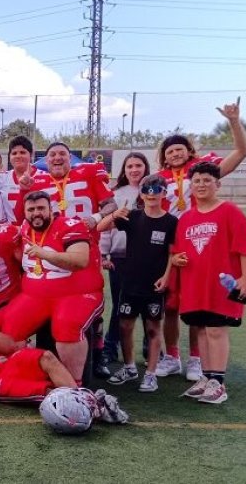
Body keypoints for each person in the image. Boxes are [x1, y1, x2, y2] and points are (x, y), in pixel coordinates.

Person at [156, 100, 246, 380]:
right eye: (170, 151)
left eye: (179, 149)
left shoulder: (204, 170)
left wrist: (233, 121)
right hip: (173, 239)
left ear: (189, 151)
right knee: (171, 304)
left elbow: (242, 151)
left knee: (200, 302)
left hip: (205, 238)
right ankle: (172, 355)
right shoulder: (157, 178)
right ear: (164, 156)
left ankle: (198, 359)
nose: (175, 154)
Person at [0, 300, 127, 423]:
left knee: (46, 356)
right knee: (48, 392)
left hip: (10, 362)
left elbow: (9, 346)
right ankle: (98, 409)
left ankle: (86, 401)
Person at [0, 191, 103, 384]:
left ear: (51, 209)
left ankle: (74, 385)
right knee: (8, 330)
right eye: (31, 209)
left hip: (75, 292)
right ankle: (30, 373)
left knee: (67, 326)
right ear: (24, 212)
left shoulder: (70, 225)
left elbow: (80, 260)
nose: (36, 213)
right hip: (35, 294)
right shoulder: (26, 227)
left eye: (41, 208)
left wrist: (45, 254)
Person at [173, 161, 246, 404]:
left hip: (223, 285)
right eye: (196, 181)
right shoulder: (186, 218)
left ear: (217, 184)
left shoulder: (230, 211)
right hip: (195, 284)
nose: (201, 184)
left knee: (217, 330)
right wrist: (177, 258)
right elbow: (178, 252)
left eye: (207, 180)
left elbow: (245, 249)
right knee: (202, 331)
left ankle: (218, 382)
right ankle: (207, 377)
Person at [95, 174, 175, 392]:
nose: (152, 194)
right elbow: (100, 228)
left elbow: (172, 254)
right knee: (125, 325)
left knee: (152, 328)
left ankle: (150, 373)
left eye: (156, 190)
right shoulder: (132, 217)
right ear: (141, 193)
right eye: (147, 190)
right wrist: (114, 215)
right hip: (130, 283)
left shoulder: (171, 221)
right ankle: (129, 367)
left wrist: (166, 276)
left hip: (154, 285)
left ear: (163, 193)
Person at [99, 152, 150, 365]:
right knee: (121, 304)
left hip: (149, 258)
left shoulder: (154, 190)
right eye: (130, 166)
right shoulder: (117, 193)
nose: (134, 170)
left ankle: (151, 349)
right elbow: (107, 228)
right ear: (124, 170)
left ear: (146, 168)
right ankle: (111, 347)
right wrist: (104, 253)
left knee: (149, 305)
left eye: (138, 165)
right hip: (120, 257)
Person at [0, 136, 53, 224]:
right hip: (10, 233)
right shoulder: (0, 178)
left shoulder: (46, 177)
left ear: (31, 155)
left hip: (38, 231)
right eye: (14, 153)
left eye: (22, 152)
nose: (18, 156)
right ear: (9, 157)